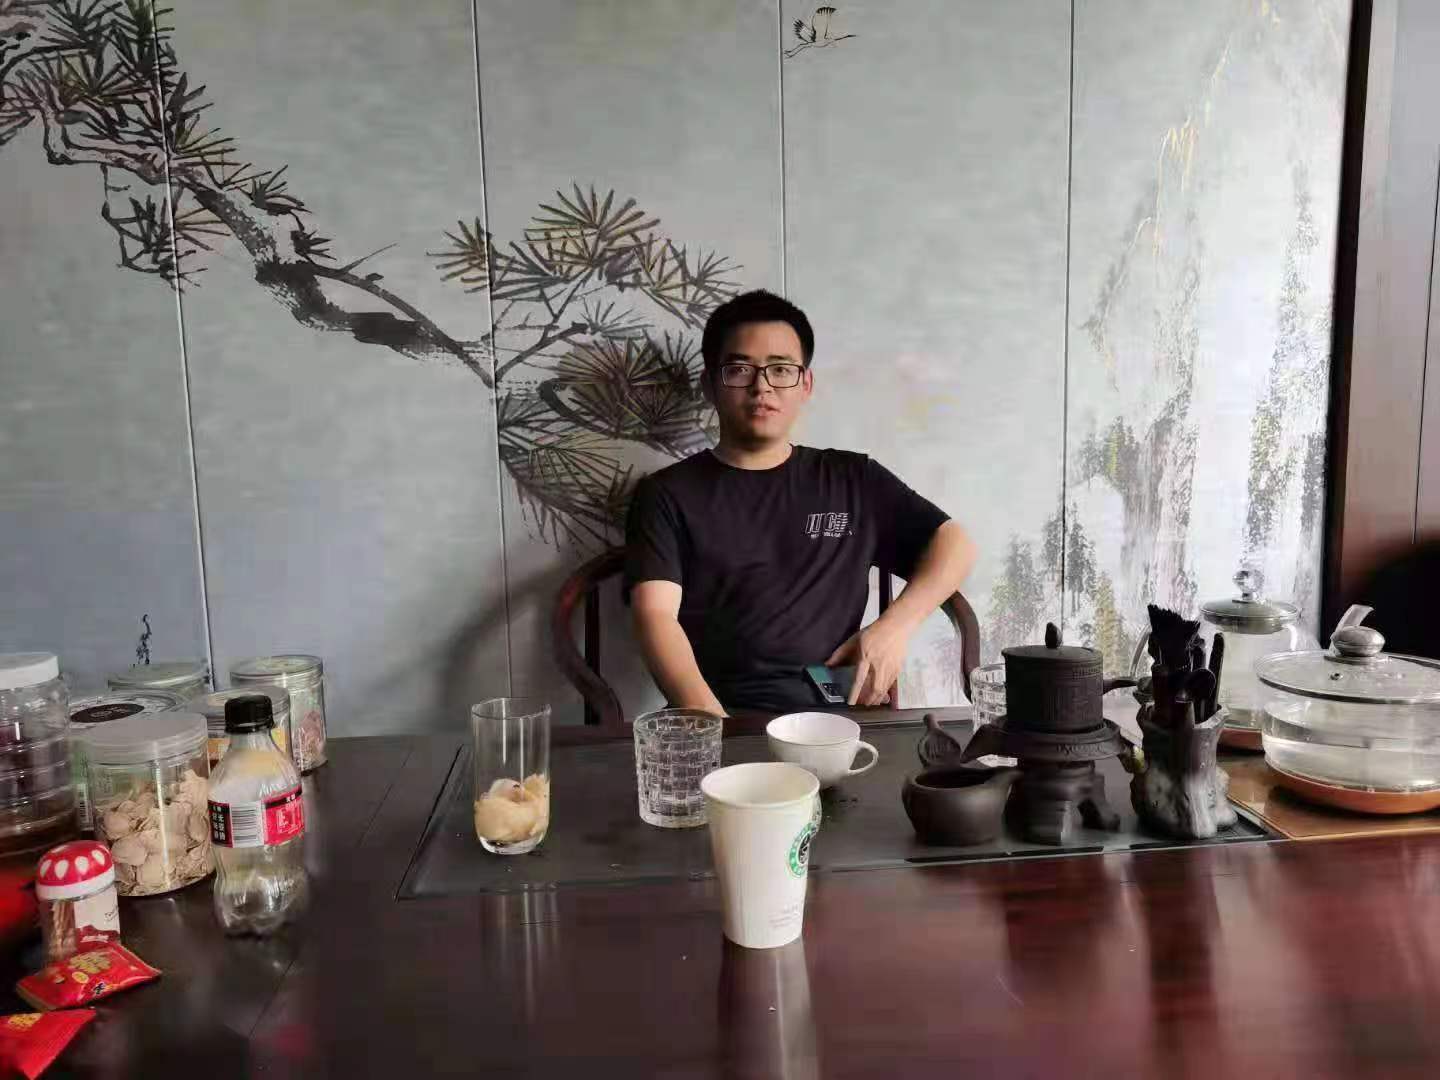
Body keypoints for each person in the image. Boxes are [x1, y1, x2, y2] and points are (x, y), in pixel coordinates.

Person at [624, 290, 977, 713]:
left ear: (805, 384)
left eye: (781, 369)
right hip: (723, 714)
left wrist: (894, 628)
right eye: (740, 370)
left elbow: (955, 543)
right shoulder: (666, 494)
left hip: (836, 717)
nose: (762, 386)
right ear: (710, 386)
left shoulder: (854, 479)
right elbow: (655, 615)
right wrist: (713, 729)